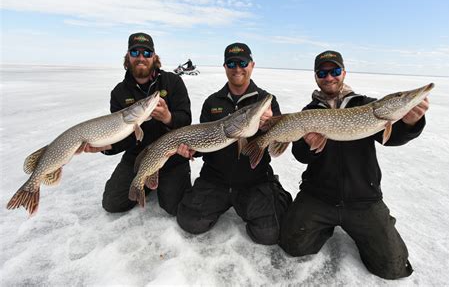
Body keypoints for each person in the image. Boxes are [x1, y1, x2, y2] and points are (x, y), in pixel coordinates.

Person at [279, 50, 430, 279]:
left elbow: (393, 138)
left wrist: (410, 124)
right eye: (323, 72)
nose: (329, 77)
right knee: (293, 245)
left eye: (335, 71)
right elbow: (300, 155)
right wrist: (309, 144)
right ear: (316, 77)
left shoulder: (367, 106)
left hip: (363, 198)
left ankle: (375, 225)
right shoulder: (309, 112)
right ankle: (324, 225)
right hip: (319, 195)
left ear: (344, 73)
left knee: (392, 267)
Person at [175, 43, 292, 245]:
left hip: (253, 181)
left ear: (252, 65)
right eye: (231, 63)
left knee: (269, 234)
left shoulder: (265, 101)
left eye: (242, 62)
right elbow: (203, 146)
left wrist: (270, 125)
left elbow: (278, 144)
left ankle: (274, 196)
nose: (237, 68)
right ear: (225, 67)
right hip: (215, 179)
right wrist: (190, 149)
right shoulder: (212, 101)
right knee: (190, 222)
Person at [84, 32, 192, 216]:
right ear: (128, 57)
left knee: (175, 206)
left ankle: (160, 182)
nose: (141, 58)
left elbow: (186, 119)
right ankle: (148, 180)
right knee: (112, 203)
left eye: (147, 53)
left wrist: (167, 117)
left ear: (154, 57)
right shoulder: (119, 92)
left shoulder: (172, 82)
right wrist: (106, 146)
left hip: (171, 156)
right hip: (138, 156)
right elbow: (124, 137)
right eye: (135, 53)